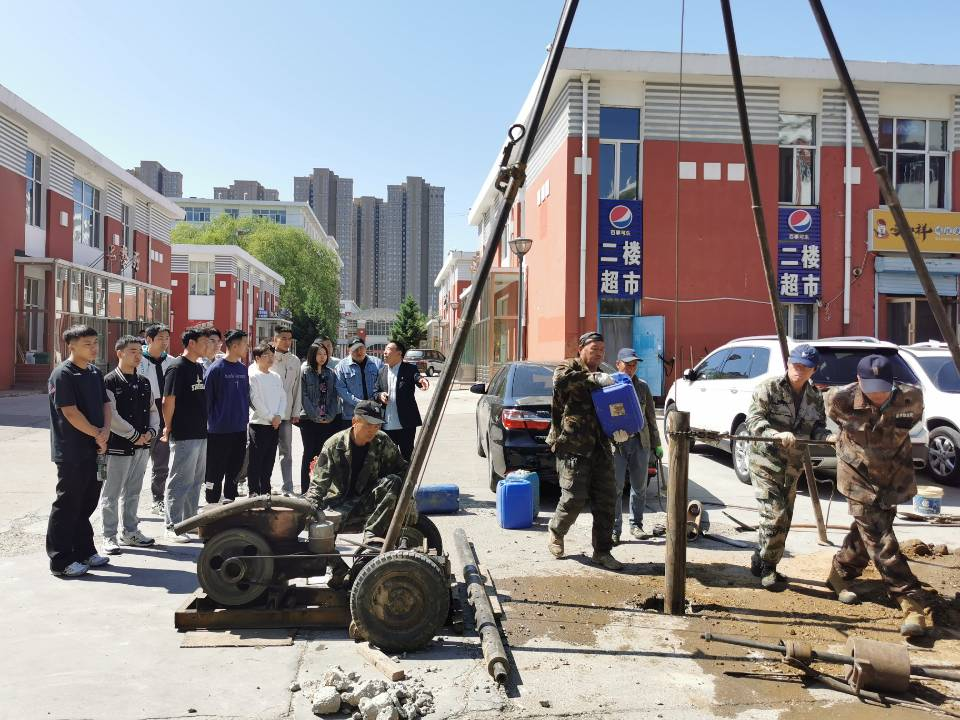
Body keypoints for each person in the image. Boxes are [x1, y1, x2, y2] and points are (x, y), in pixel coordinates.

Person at [825, 354, 931, 637]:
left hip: (893, 475)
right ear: (858, 381)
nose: (878, 394)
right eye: (871, 388)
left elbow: (908, 426)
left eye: (883, 387)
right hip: (858, 476)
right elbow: (836, 421)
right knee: (881, 538)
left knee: (870, 530)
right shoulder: (840, 399)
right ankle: (910, 600)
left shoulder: (911, 398)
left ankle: (840, 571)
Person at [745, 344, 830, 589]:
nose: (798, 370)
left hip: (793, 465)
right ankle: (769, 568)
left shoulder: (814, 397)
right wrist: (774, 434)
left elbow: (818, 427)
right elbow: (754, 419)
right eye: (795, 364)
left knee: (785, 519)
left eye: (805, 367)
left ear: (814, 370)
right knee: (774, 515)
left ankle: (760, 558)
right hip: (765, 462)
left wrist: (827, 437)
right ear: (788, 363)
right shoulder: (769, 388)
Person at [305, 399, 410, 586]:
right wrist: (308, 511)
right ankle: (339, 570)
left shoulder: (382, 441)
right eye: (368, 425)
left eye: (377, 426)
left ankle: (372, 543)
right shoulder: (334, 445)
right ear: (355, 421)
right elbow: (318, 486)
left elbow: (403, 470)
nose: (373, 430)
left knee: (393, 481)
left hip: (368, 501)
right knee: (319, 527)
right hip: (339, 504)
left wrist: (409, 501)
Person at [545, 331, 623, 571]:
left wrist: (622, 429)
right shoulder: (568, 367)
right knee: (574, 498)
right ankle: (556, 531)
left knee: (606, 501)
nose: (599, 353)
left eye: (602, 350)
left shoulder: (607, 375)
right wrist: (593, 379)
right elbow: (561, 383)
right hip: (572, 446)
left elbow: (617, 406)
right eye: (594, 349)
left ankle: (602, 552)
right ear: (581, 349)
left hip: (601, 447)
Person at [46, 325, 112, 577]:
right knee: (68, 504)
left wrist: (105, 432)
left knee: (87, 503)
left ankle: (84, 550)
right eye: (87, 344)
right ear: (71, 345)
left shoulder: (94, 372)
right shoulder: (63, 374)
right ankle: (60, 560)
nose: (94, 348)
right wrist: (97, 434)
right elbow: (70, 412)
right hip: (71, 451)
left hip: (96, 448)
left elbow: (106, 404)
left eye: (95, 342)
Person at [101, 336, 158, 554]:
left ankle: (131, 531)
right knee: (112, 493)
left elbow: (153, 410)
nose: (138, 356)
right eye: (133, 351)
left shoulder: (144, 382)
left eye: (140, 351)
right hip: (118, 446)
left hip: (143, 446)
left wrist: (151, 432)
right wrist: (134, 435)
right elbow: (111, 416)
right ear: (120, 353)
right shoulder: (109, 382)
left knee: (133, 491)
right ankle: (109, 536)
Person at [610, 348, 662, 545]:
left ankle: (636, 525)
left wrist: (657, 444)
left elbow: (651, 418)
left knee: (639, 487)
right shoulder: (608, 385)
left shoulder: (642, 387)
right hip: (617, 444)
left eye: (634, 365)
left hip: (640, 443)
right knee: (615, 487)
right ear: (618, 364)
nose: (631, 368)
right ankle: (614, 529)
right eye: (627, 365)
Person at [161, 328, 208, 542]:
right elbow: (168, 400)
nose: (208, 345)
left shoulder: (198, 366)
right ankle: (172, 525)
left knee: (196, 481)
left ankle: (189, 522)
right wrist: (167, 426)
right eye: (204, 342)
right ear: (191, 343)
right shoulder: (177, 367)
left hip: (200, 431)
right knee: (180, 480)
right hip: (183, 432)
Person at [203, 329, 250, 504]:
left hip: (239, 429)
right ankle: (211, 502)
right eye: (245, 344)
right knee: (215, 469)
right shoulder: (216, 369)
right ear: (235, 346)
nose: (247, 347)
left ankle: (230, 500)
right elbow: (206, 400)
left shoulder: (243, 369)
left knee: (235, 468)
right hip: (218, 430)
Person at [137, 323, 174, 517]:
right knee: (138, 463)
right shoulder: (138, 360)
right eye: (160, 338)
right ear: (148, 339)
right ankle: (130, 502)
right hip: (143, 414)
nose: (164, 342)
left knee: (161, 462)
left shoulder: (171, 362)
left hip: (164, 413)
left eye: (167, 338)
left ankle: (157, 499)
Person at [299, 340, 341, 494]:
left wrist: (329, 416)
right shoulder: (305, 372)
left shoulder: (330, 373)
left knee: (323, 455)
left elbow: (334, 397)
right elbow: (303, 396)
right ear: (312, 355)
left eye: (325, 354)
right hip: (309, 420)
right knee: (309, 453)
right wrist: (315, 416)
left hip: (327, 420)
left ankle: (321, 489)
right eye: (319, 354)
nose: (323, 357)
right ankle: (305, 489)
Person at [376, 339, 429, 461]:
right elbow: (375, 391)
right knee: (388, 459)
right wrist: (380, 395)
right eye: (385, 349)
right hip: (386, 424)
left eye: (388, 349)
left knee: (407, 456)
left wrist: (422, 380)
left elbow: (417, 377)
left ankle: (408, 474)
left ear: (399, 353)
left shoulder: (410, 369)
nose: (385, 352)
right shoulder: (382, 372)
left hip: (406, 424)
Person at [247, 342, 285, 497]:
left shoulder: (276, 377)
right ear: (257, 358)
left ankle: (266, 490)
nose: (270, 358)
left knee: (269, 460)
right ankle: (254, 492)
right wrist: (271, 417)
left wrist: (279, 416)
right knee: (256, 460)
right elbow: (254, 400)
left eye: (272, 355)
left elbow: (283, 397)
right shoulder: (253, 376)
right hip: (259, 424)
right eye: (266, 355)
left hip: (274, 425)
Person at [270, 326, 303, 495]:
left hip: (286, 414)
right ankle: (254, 483)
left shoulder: (294, 361)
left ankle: (287, 487)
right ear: (274, 339)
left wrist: (295, 412)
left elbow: (297, 388)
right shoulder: (268, 357)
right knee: (262, 451)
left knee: (286, 452)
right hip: (268, 414)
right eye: (283, 338)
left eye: (289, 339)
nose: (287, 342)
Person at [335, 337, 382, 422]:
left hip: (374, 413)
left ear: (365, 348)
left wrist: (374, 400)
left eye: (361, 348)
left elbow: (382, 384)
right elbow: (341, 389)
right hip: (351, 415)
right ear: (349, 350)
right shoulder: (341, 366)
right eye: (355, 349)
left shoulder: (377, 363)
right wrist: (360, 403)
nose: (359, 352)